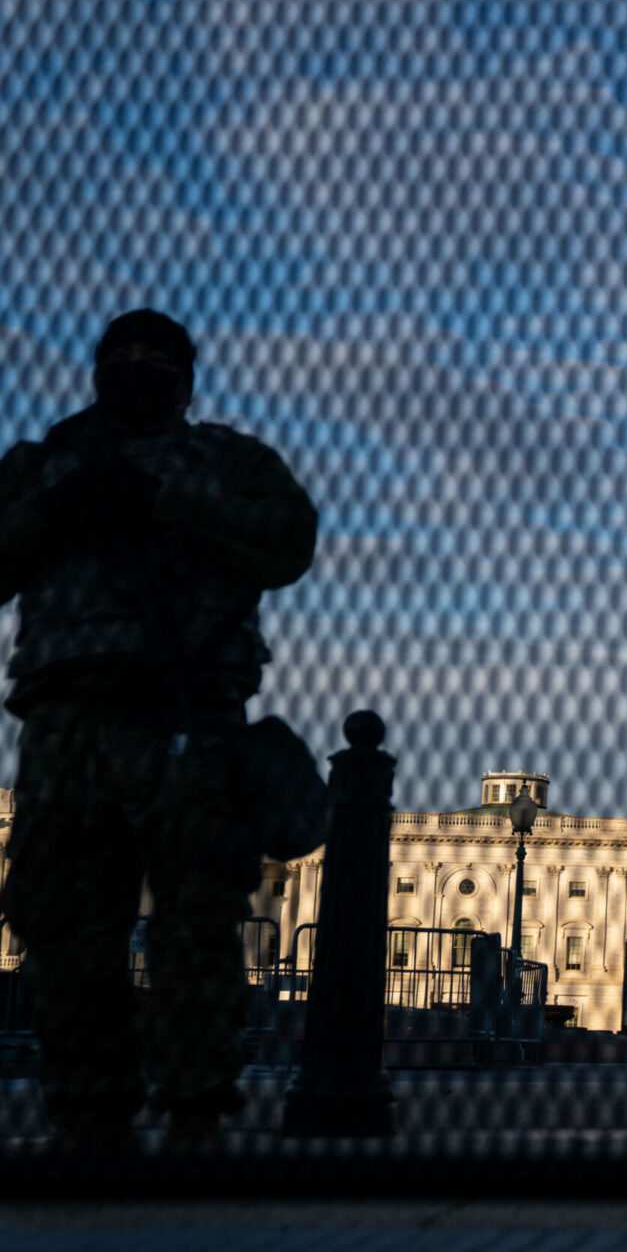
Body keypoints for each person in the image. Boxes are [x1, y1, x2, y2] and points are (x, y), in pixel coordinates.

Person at [0, 310, 317, 1151]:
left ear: (186, 379)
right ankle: (87, 1109)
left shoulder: (226, 460)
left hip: (188, 709)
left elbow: (289, 544)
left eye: (158, 358)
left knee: (198, 917)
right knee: (64, 917)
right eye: (123, 356)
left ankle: (196, 1108)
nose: (139, 368)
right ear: (97, 369)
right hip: (68, 714)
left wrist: (165, 496)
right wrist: (61, 505)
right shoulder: (44, 464)